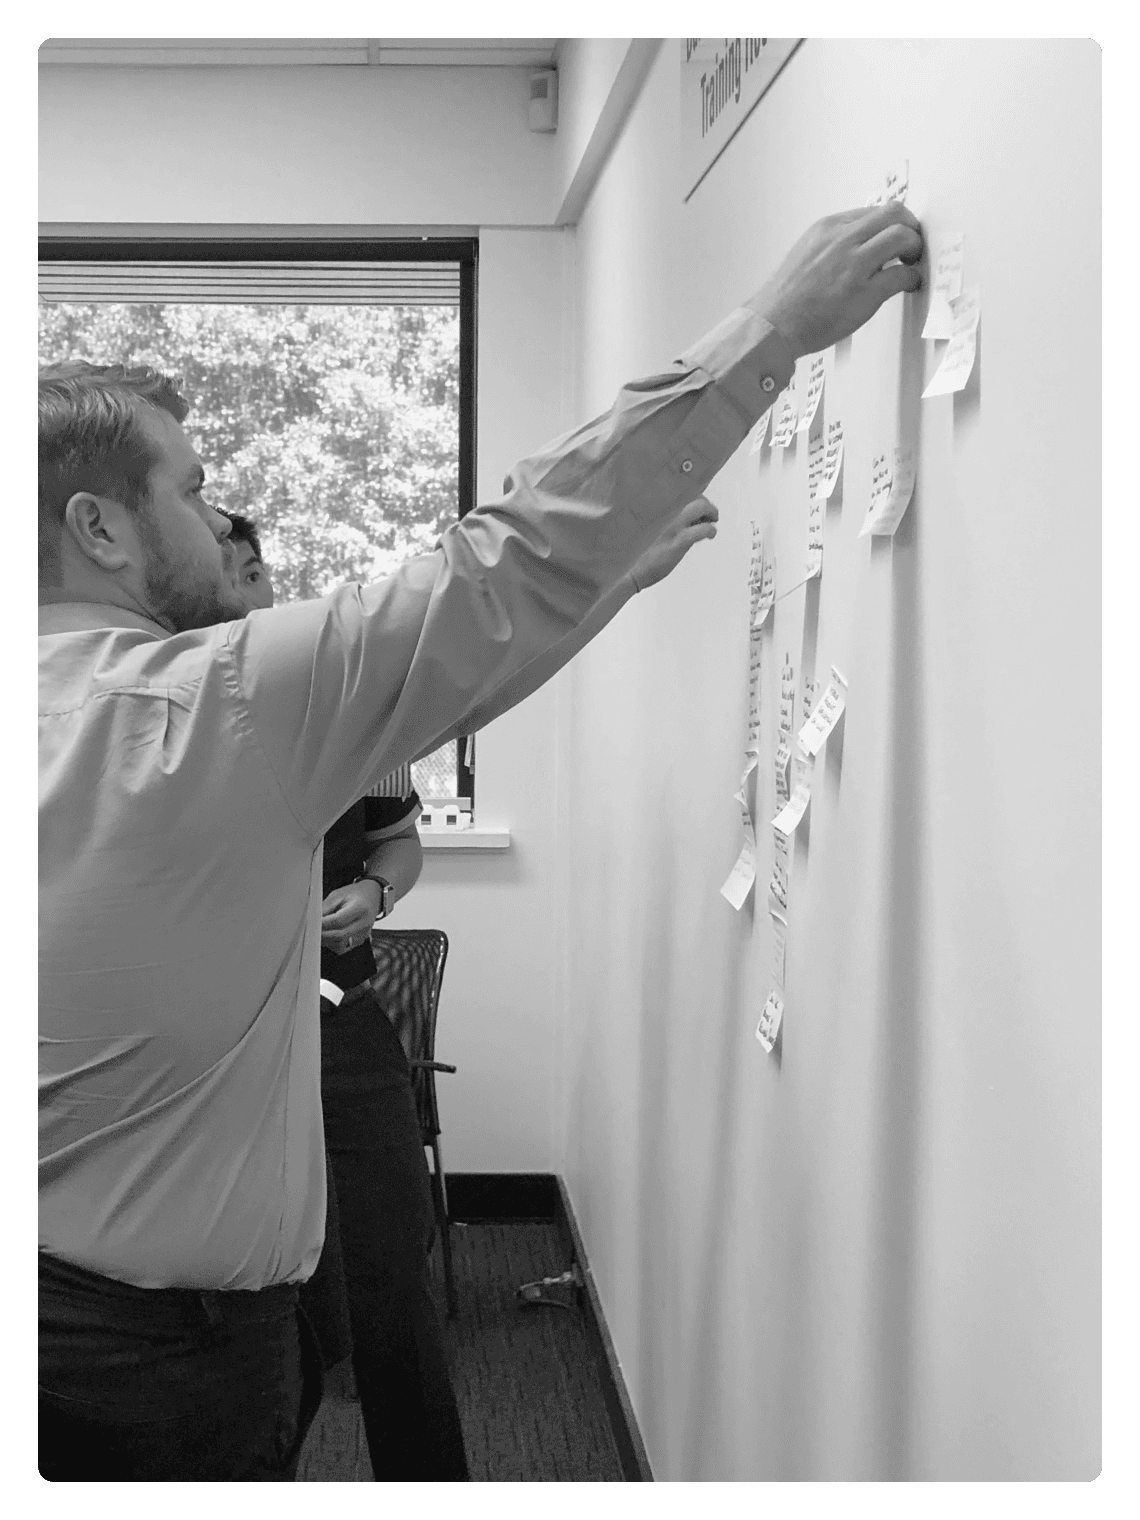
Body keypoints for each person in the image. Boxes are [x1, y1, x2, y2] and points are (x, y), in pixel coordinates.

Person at [38, 205, 924, 1480]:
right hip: (159, 1363)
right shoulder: (208, 707)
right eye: (188, 487)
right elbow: (497, 571)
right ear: (101, 528)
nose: (218, 515)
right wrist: (773, 330)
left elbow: (469, 649)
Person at [225, 512, 471, 1479]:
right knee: (245, 1315)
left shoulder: (340, 694)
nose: (248, 585)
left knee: (389, 1286)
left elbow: (397, 844)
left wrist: (374, 892)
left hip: (339, 1025)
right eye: (227, 565)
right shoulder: (145, 701)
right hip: (214, 1038)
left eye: (254, 567)